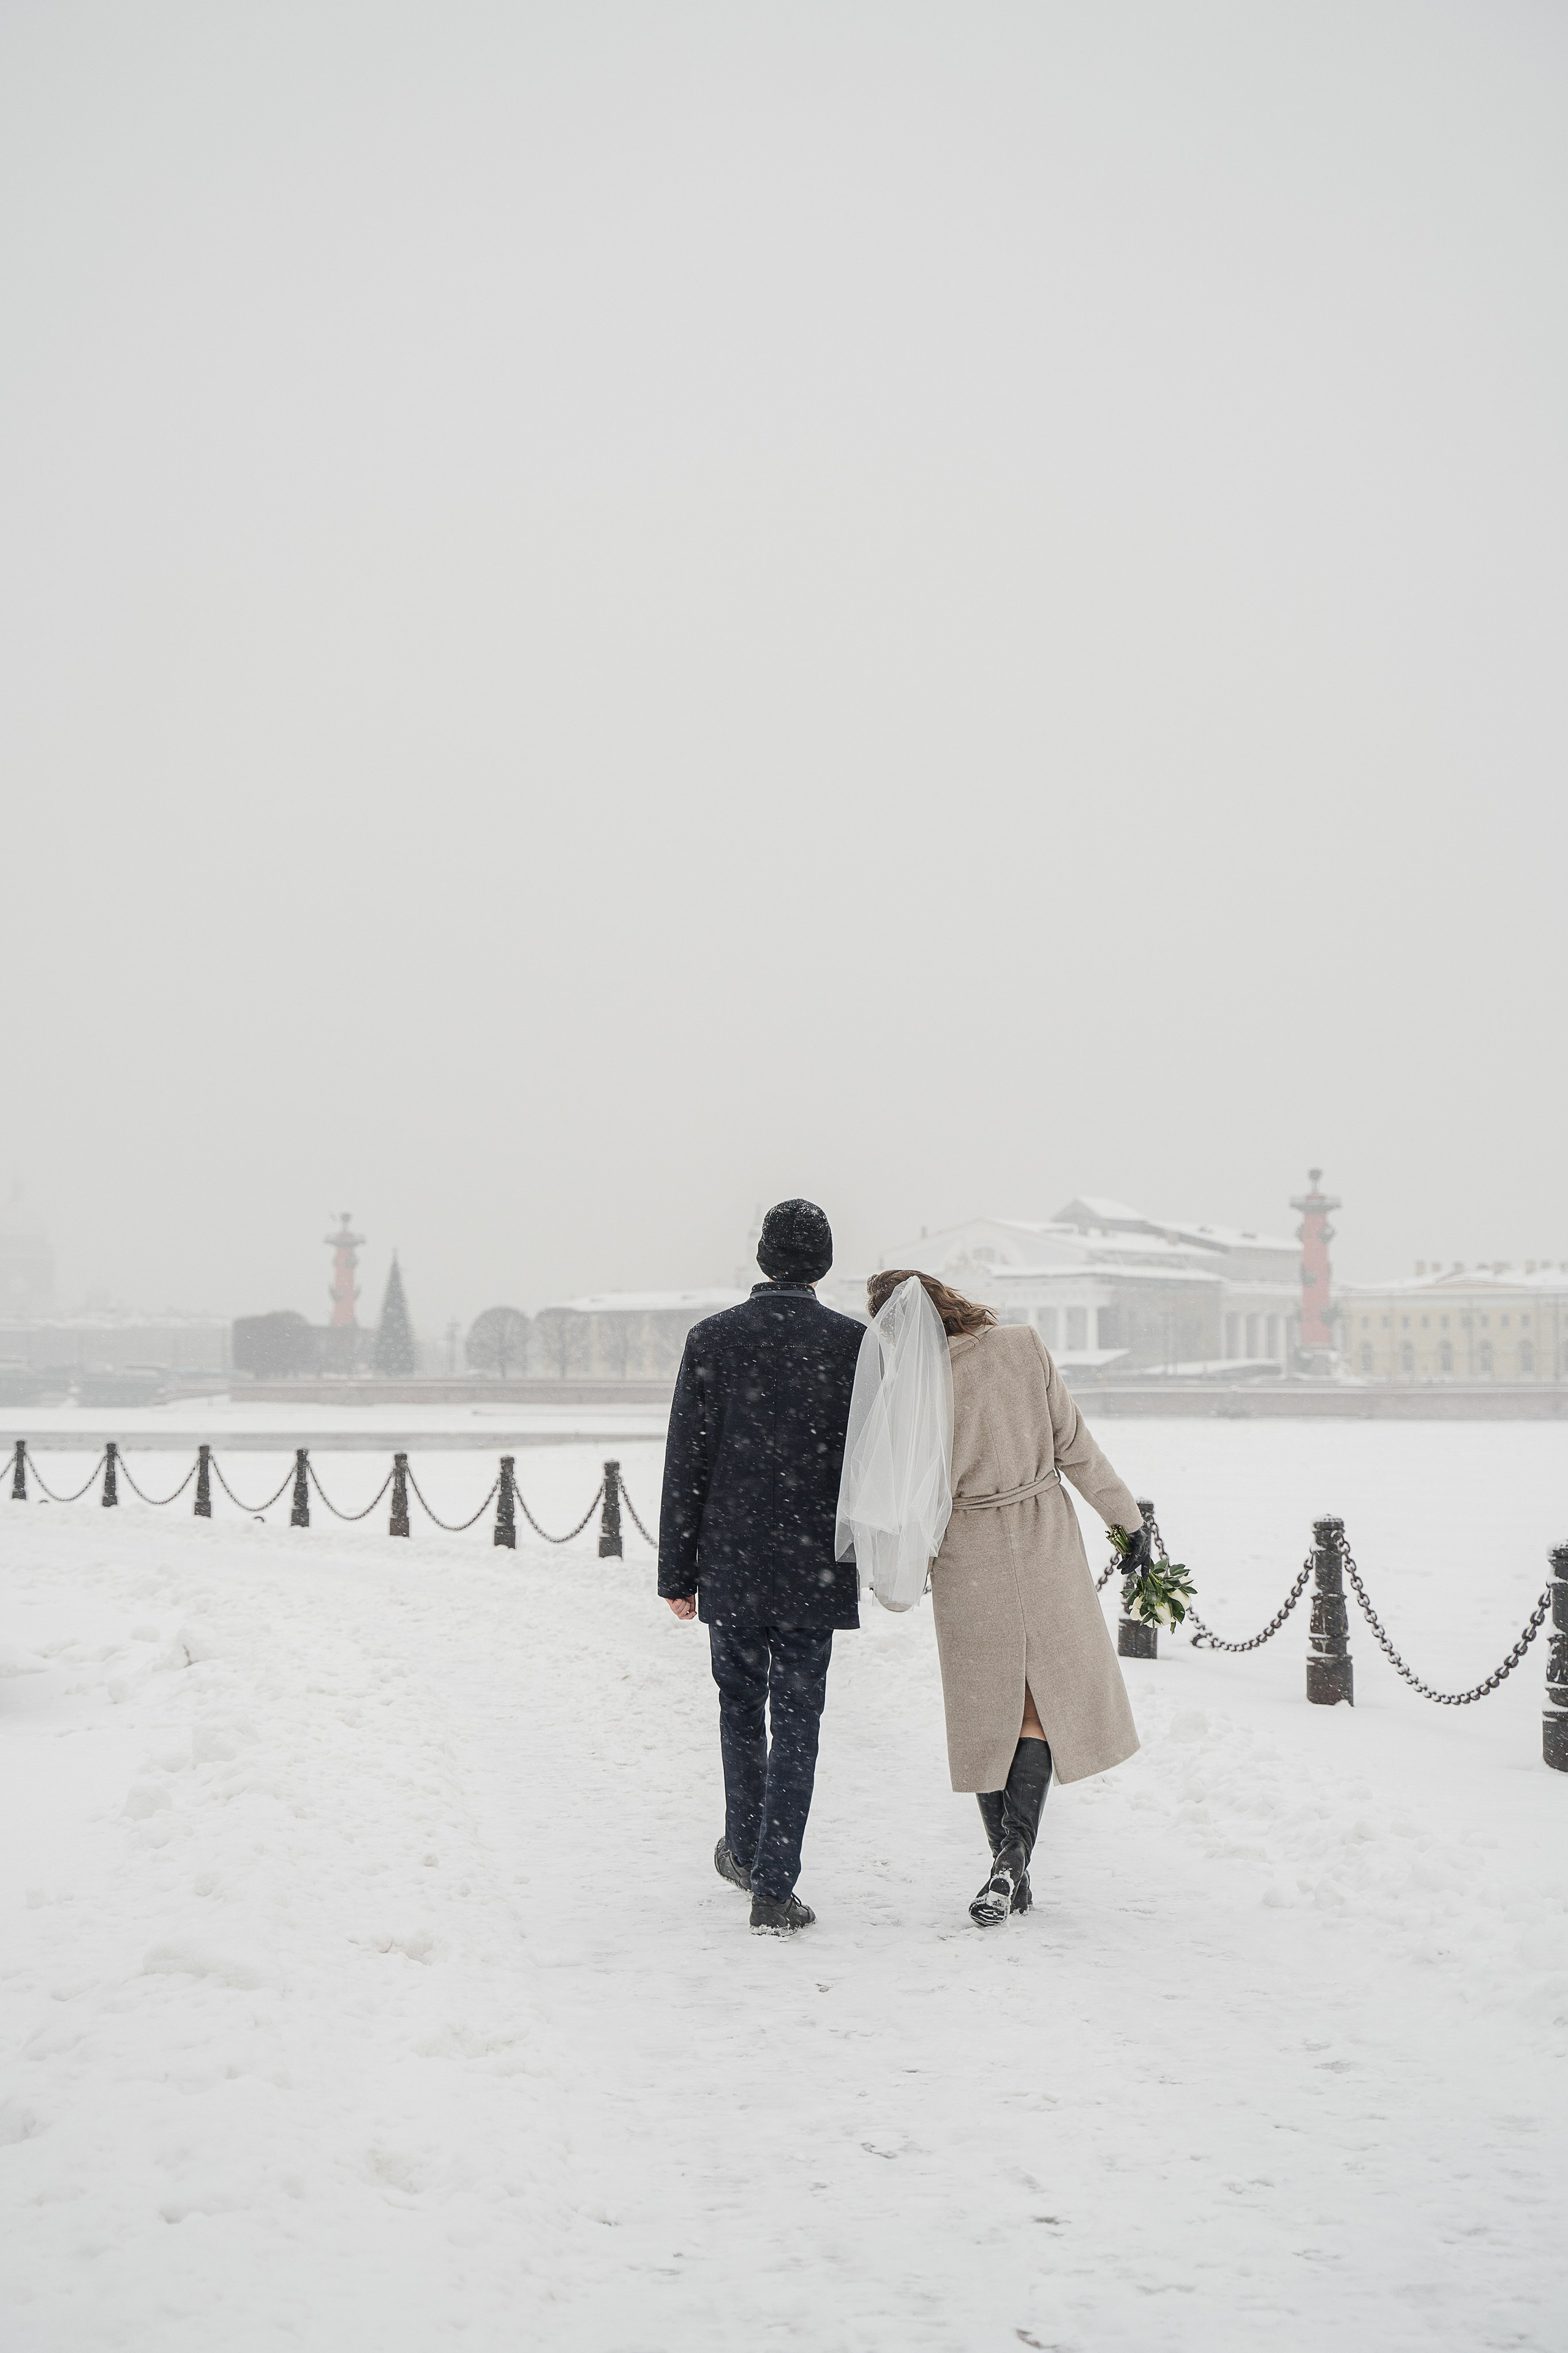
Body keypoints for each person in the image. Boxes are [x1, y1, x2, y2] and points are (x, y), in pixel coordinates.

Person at [864, 1270, 1149, 1928]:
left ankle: (1006, 1857)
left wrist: (901, 1571)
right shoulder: (1021, 1346)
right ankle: (1012, 1860)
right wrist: (1127, 1521)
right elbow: (1076, 1449)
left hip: (967, 1551)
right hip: (1042, 1532)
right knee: (1037, 1704)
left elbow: (907, 1496)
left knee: (986, 1712)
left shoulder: (912, 1387)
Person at [658, 1199, 864, 1937]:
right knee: (799, 1719)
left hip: (735, 1562)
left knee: (739, 1708)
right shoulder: (851, 1345)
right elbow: (866, 1467)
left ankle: (745, 1850)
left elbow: (687, 1461)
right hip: (814, 1564)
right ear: (824, 1264)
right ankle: (772, 1883)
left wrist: (677, 1573)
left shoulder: (713, 1338)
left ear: (763, 1258)